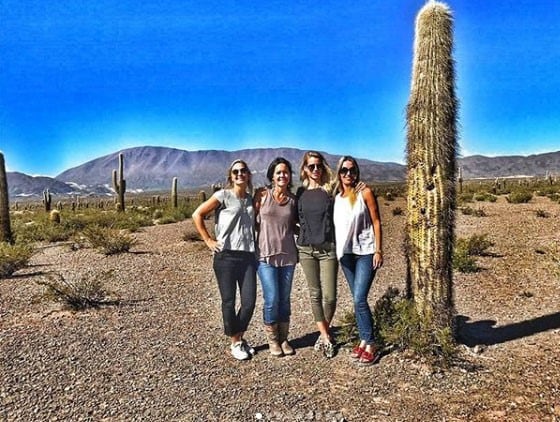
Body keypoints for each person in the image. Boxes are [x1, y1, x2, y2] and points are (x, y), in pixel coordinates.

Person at [192, 159, 257, 361]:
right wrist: (208, 240)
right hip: (226, 256)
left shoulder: (251, 199)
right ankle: (235, 343)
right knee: (228, 301)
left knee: (249, 302)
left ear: (248, 175)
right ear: (231, 176)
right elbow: (198, 214)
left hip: (247, 256)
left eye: (243, 171)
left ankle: (239, 337)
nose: (240, 174)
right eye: (236, 171)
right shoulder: (223, 196)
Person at [332, 156, 383, 365]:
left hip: (366, 252)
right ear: (339, 173)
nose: (348, 175)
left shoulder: (365, 192)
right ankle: (363, 339)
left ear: (357, 172)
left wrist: (379, 250)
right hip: (346, 255)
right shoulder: (338, 197)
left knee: (359, 299)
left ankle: (371, 342)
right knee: (357, 299)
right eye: (344, 171)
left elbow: (377, 221)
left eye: (352, 171)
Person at [254, 157, 298, 357]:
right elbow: (252, 222)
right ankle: (272, 340)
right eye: (279, 172)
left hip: (288, 256)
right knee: (272, 298)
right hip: (265, 256)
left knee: (285, 299)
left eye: (286, 172)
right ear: (272, 175)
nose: (282, 175)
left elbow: (297, 225)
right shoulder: (262, 195)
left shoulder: (293, 200)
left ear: (290, 176)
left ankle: (283, 338)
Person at [296, 151, 338, 358]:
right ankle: (325, 337)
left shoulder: (330, 191)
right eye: (311, 166)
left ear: (323, 168)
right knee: (315, 294)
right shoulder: (300, 193)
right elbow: (293, 220)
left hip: (328, 248)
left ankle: (323, 333)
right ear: (304, 169)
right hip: (306, 249)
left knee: (330, 296)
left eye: (318, 166)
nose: (315, 170)